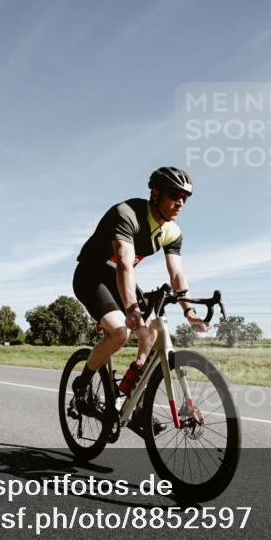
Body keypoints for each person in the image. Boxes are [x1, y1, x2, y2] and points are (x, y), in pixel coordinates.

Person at [71, 167, 210, 437]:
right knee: (120, 332)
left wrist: (189, 310)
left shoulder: (172, 231)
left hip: (117, 276)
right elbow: (124, 261)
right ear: (155, 193)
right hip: (91, 273)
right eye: (175, 195)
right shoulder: (127, 214)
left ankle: (130, 403)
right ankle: (83, 383)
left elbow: (177, 272)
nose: (181, 202)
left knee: (150, 334)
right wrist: (132, 308)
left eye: (186, 197)